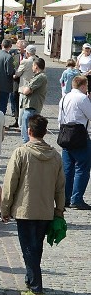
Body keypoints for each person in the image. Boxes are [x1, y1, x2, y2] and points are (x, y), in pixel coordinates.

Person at [1, 114, 66, 295]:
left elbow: (10, 183)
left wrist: (5, 208)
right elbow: (60, 187)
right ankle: (31, 281)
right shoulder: (55, 156)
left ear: (29, 131)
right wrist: (59, 210)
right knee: (36, 248)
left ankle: (36, 287)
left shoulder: (21, 153)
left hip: (26, 209)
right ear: (45, 132)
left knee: (29, 249)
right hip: (45, 211)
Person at [57, 75, 91, 210]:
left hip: (65, 134)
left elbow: (60, 118)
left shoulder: (64, 97)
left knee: (67, 168)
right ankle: (76, 198)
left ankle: (65, 197)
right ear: (83, 86)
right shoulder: (82, 98)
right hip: (79, 134)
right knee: (82, 167)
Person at [18, 57, 47, 143]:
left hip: (32, 108)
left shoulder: (40, 77)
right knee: (25, 131)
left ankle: (27, 147)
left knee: (27, 134)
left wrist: (24, 89)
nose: (32, 68)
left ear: (36, 66)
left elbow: (26, 91)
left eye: (32, 66)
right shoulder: (37, 76)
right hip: (29, 107)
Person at [0, 38, 15, 114]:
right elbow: (10, 72)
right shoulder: (8, 57)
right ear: (10, 46)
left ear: (1, 45)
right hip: (5, 84)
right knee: (3, 104)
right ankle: (0, 121)